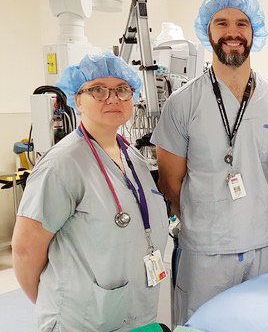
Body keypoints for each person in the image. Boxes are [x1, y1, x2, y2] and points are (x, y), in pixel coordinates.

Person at [151, 0, 268, 325]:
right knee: (204, 326)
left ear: (253, 32)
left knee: (267, 324)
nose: (233, 32)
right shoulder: (182, 103)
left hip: (265, 244)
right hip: (206, 251)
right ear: (208, 31)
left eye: (242, 23)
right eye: (222, 23)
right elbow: (170, 185)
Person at [12, 52, 169, 331]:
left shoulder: (133, 156)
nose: (112, 98)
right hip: (81, 319)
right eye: (98, 90)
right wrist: (55, 305)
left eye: (122, 89)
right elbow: (25, 250)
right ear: (78, 100)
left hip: (133, 312)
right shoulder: (62, 164)